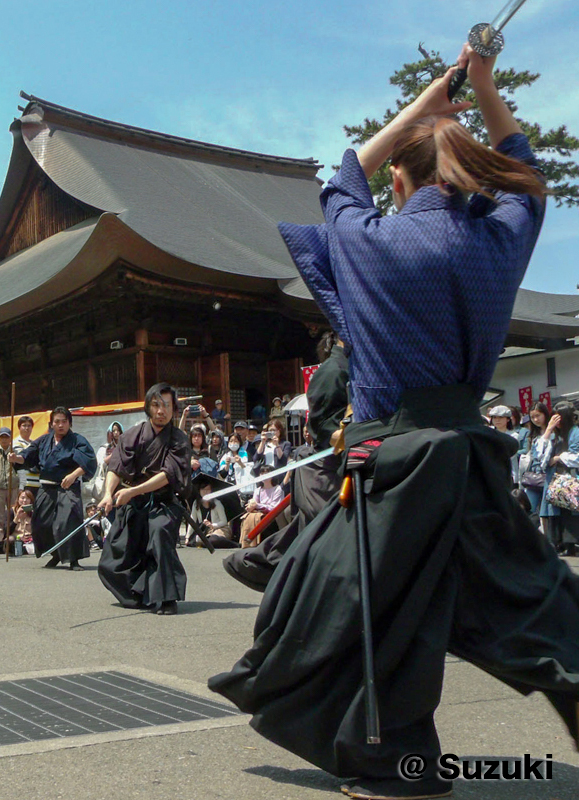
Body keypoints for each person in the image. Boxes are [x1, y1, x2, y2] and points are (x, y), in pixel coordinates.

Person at [208, 47, 579, 800]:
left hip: (390, 467)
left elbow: (340, 176)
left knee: (358, 611)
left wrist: (427, 104)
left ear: (400, 182)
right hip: (470, 458)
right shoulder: (497, 237)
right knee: (527, 599)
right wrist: (483, 91)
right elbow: (528, 179)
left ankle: (396, 765)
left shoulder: (369, 240)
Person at [224, 331, 349, 592]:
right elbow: (325, 425)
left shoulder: (351, 367)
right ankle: (268, 564)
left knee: (314, 535)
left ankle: (271, 566)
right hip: (329, 467)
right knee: (321, 532)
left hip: (341, 462)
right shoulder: (333, 371)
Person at [97, 383, 191, 614]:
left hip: (163, 503)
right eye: (156, 405)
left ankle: (168, 598)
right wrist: (108, 494)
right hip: (133, 503)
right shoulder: (133, 435)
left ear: (174, 409)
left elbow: (167, 475)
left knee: (159, 534)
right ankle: (140, 595)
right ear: (148, 408)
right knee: (114, 555)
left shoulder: (179, 439)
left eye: (167, 406)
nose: (161, 411)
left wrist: (132, 491)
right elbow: (116, 467)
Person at [9, 406, 96, 570]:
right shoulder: (43, 441)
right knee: (40, 522)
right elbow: (27, 457)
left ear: (70, 423)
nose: (61, 425)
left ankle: (73, 559)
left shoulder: (77, 440)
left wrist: (73, 475)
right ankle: (55, 554)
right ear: (51, 424)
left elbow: (88, 461)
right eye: (57, 422)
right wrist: (15, 458)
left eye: (64, 421)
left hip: (67, 487)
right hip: (47, 488)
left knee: (67, 521)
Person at [540, 402, 579, 555]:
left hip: (570, 477)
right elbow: (539, 456)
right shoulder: (553, 434)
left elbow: (576, 456)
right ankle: (558, 544)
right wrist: (548, 430)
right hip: (554, 479)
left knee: (570, 511)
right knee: (555, 512)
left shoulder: (575, 431)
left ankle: (570, 545)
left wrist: (558, 458)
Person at [14, 416, 40, 492]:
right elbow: (23, 459)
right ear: (19, 427)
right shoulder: (15, 442)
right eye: (24, 425)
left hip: (36, 480)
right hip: (23, 481)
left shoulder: (34, 443)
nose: (27, 428)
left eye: (29, 426)